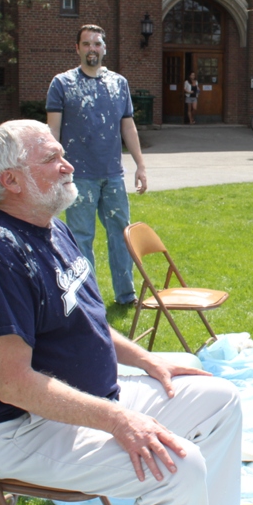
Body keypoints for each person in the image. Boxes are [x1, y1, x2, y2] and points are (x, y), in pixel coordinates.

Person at [0, 120, 242, 505]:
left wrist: (145, 359)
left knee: (221, 400)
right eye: (51, 158)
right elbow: (13, 385)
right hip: (25, 431)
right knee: (176, 468)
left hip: (90, 400)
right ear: (10, 181)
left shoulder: (52, 227)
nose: (68, 165)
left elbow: (86, 321)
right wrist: (119, 421)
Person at [46, 24, 147, 306]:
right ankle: (87, 297)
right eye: (87, 44)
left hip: (112, 175)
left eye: (97, 43)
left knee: (121, 235)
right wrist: (52, 165)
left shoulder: (118, 83)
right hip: (78, 176)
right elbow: (52, 131)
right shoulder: (62, 84)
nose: (93, 48)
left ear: (104, 48)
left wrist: (140, 164)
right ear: (77, 48)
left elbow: (128, 127)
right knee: (80, 238)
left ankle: (126, 295)